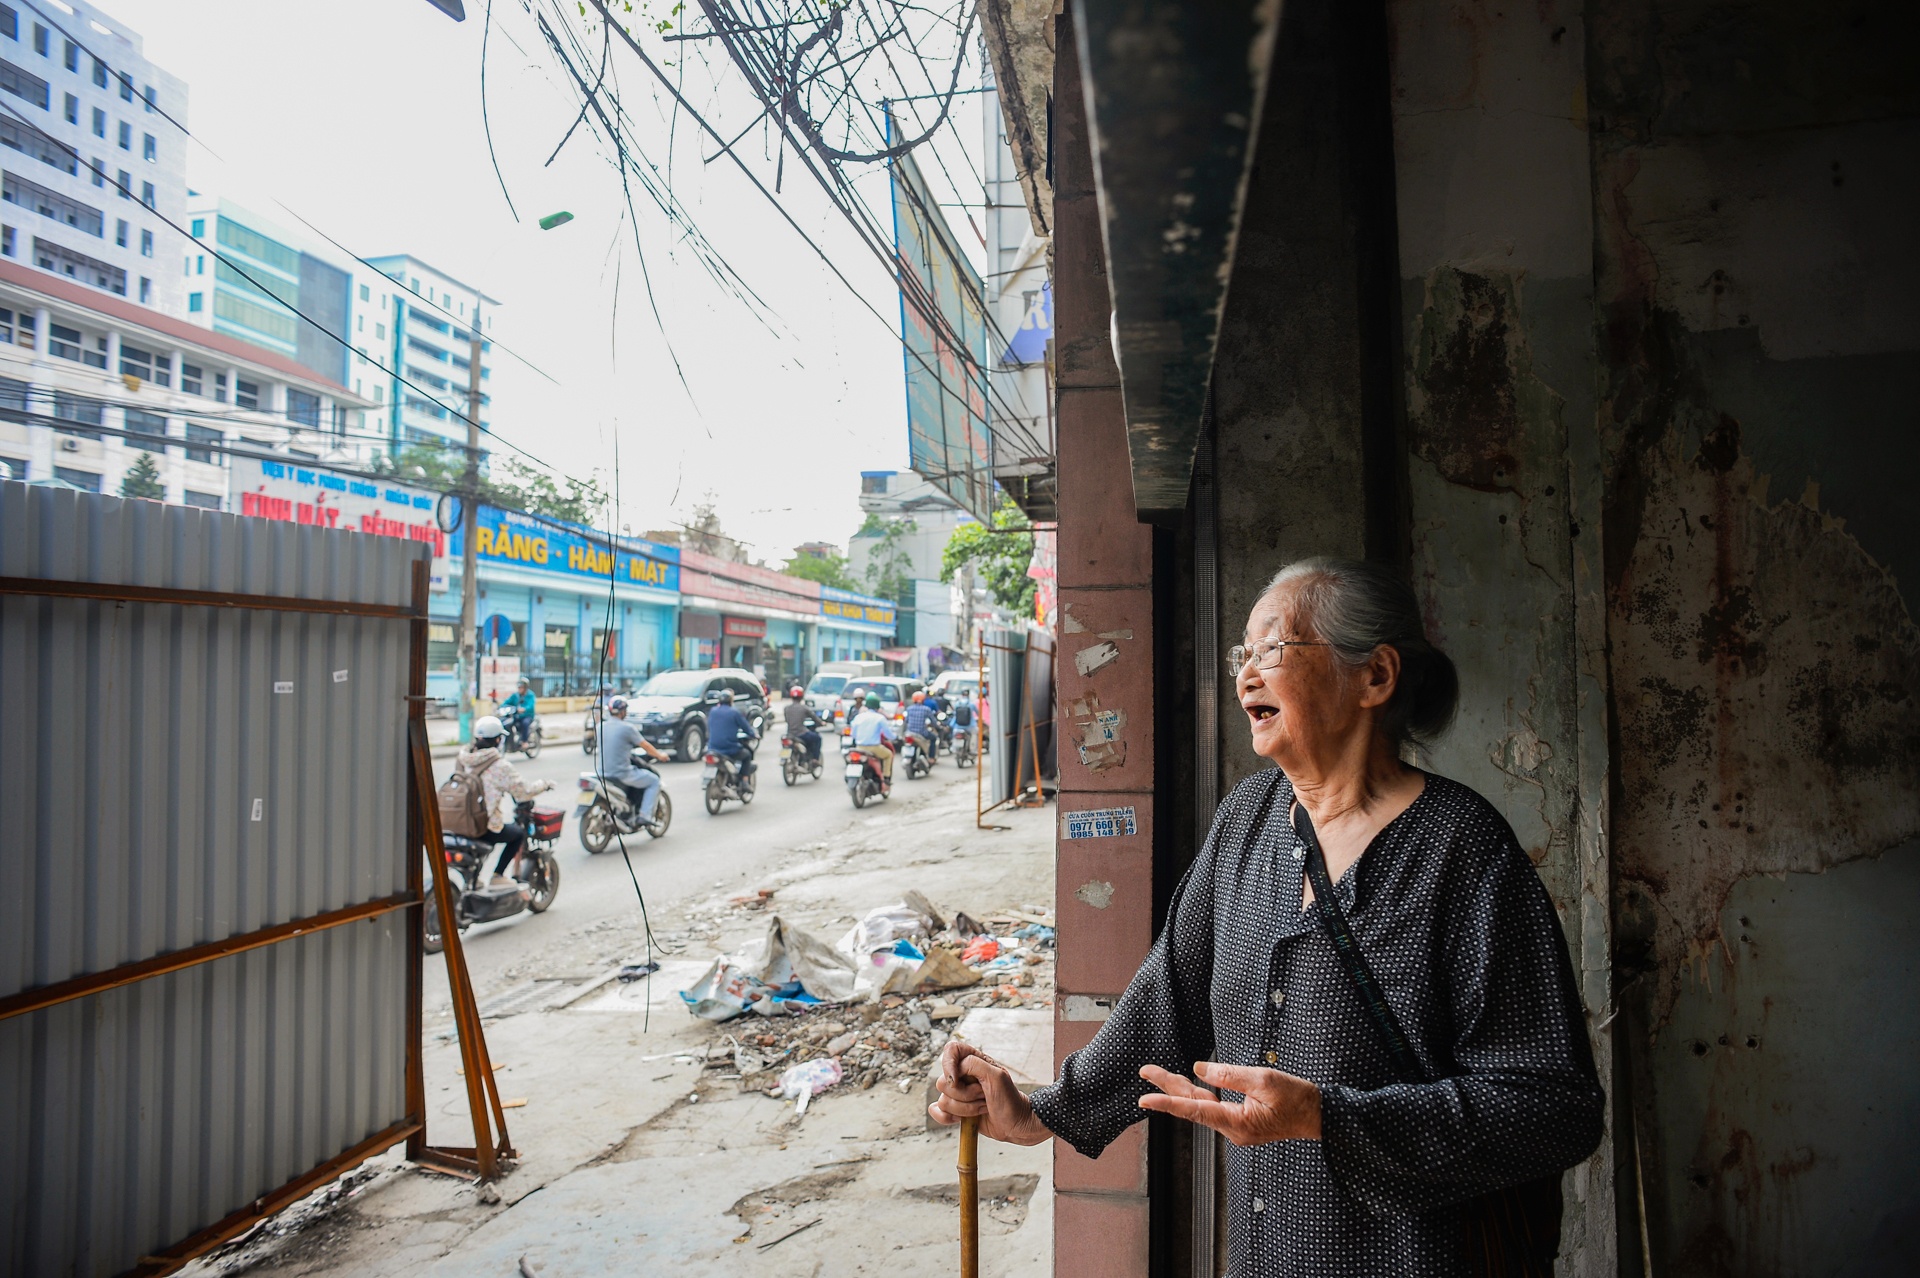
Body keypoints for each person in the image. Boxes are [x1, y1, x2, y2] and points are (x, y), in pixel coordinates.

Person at [929, 557, 1604, 1274]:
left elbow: (1552, 1107)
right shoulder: (1247, 820)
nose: (1246, 673)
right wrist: (1042, 1115)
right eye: (1241, 653)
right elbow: (1169, 999)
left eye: (1273, 650)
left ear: (1375, 677)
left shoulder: (1461, 849)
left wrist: (1328, 1118)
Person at [456, 715, 554, 886]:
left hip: (457, 820)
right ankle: (498, 875)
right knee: (517, 834)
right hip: (480, 825)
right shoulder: (499, 766)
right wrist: (544, 785)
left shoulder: (463, 758)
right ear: (498, 739)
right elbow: (524, 791)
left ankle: (472, 879)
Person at [597, 695, 670, 824]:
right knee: (654, 781)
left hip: (602, 773)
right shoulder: (627, 728)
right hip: (621, 773)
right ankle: (645, 815)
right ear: (623, 712)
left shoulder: (599, 727)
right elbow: (645, 745)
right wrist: (660, 755)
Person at [705, 688, 759, 779]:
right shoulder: (734, 712)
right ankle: (744, 780)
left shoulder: (713, 711)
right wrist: (753, 735)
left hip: (712, 748)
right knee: (747, 755)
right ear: (731, 701)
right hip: (728, 748)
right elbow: (746, 728)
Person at [849, 692, 896, 781]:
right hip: (874, 748)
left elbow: (853, 734)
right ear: (877, 706)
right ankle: (886, 778)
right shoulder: (879, 718)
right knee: (888, 755)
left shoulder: (858, 717)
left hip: (859, 747)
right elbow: (888, 733)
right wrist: (895, 737)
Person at [783, 685, 821, 764]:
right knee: (817, 738)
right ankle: (815, 759)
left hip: (789, 734)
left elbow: (787, 720)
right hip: (801, 734)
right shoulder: (804, 708)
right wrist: (821, 723)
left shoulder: (786, 708)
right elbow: (814, 717)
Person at [499, 676, 537, 748]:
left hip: (527, 716)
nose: (520, 689)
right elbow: (507, 702)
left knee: (525, 723)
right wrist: (501, 706)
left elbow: (531, 705)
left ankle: (524, 741)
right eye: (519, 687)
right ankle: (509, 742)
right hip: (516, 716)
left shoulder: (530, 695)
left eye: (521, 687)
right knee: (506, 723)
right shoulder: (515, 695)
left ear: (525, 688)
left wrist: (524, 709)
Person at [901, 689, 937, 760]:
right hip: (922, 733)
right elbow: (933, 721)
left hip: (910, 733)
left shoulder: (909, 709)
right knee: (934, 738)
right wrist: (937, 726)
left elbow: (906, 720)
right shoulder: (926, 709)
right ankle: (931, 757)